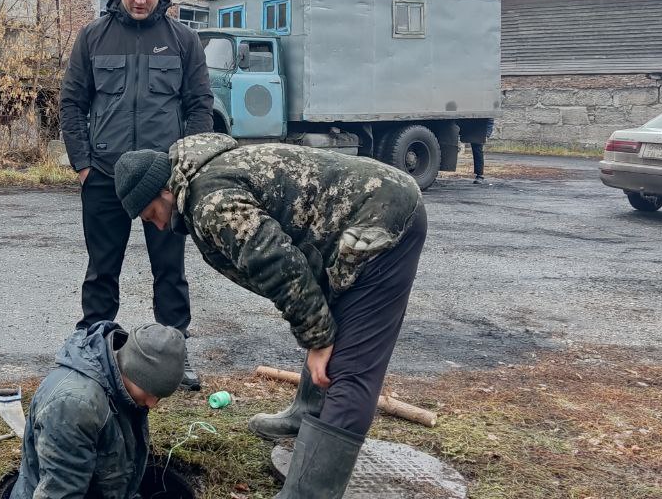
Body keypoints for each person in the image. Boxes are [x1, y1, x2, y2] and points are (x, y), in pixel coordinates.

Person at [113, 134, 427, 499]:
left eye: (149, 214)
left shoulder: (211, 201)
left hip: (384, 222)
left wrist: (318, 338)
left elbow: (278, 263)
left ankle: (308, 493)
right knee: (325, 327)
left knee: (351, 369)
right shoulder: (199, 182)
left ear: (164, 192)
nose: (154, 225)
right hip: (344, 229)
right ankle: (306, 414)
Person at [59, 0, 213, 391]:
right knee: (102, 267)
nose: (140, 0)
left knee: (170, 268)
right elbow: (72, 103)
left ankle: (174, 350)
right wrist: (83, 164)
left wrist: (189, 166)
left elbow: (199, 105)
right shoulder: (93, 37)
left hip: (163, 178)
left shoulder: (183, 40)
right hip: (105, 175)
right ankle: (94, 345)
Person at [10, 322, 186, 499]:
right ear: (134, 371)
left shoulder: (123, 387)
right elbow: (61, 493)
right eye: (150, 392)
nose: (152, 404)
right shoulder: (75, 406)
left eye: (160, 397)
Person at [465, 118, 495, 184]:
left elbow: (490, 120)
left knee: (477, 149)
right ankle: (479, 175)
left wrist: (486, 134)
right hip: (467, 123)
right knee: (477, 149)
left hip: (478, 127)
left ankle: (480, 175)